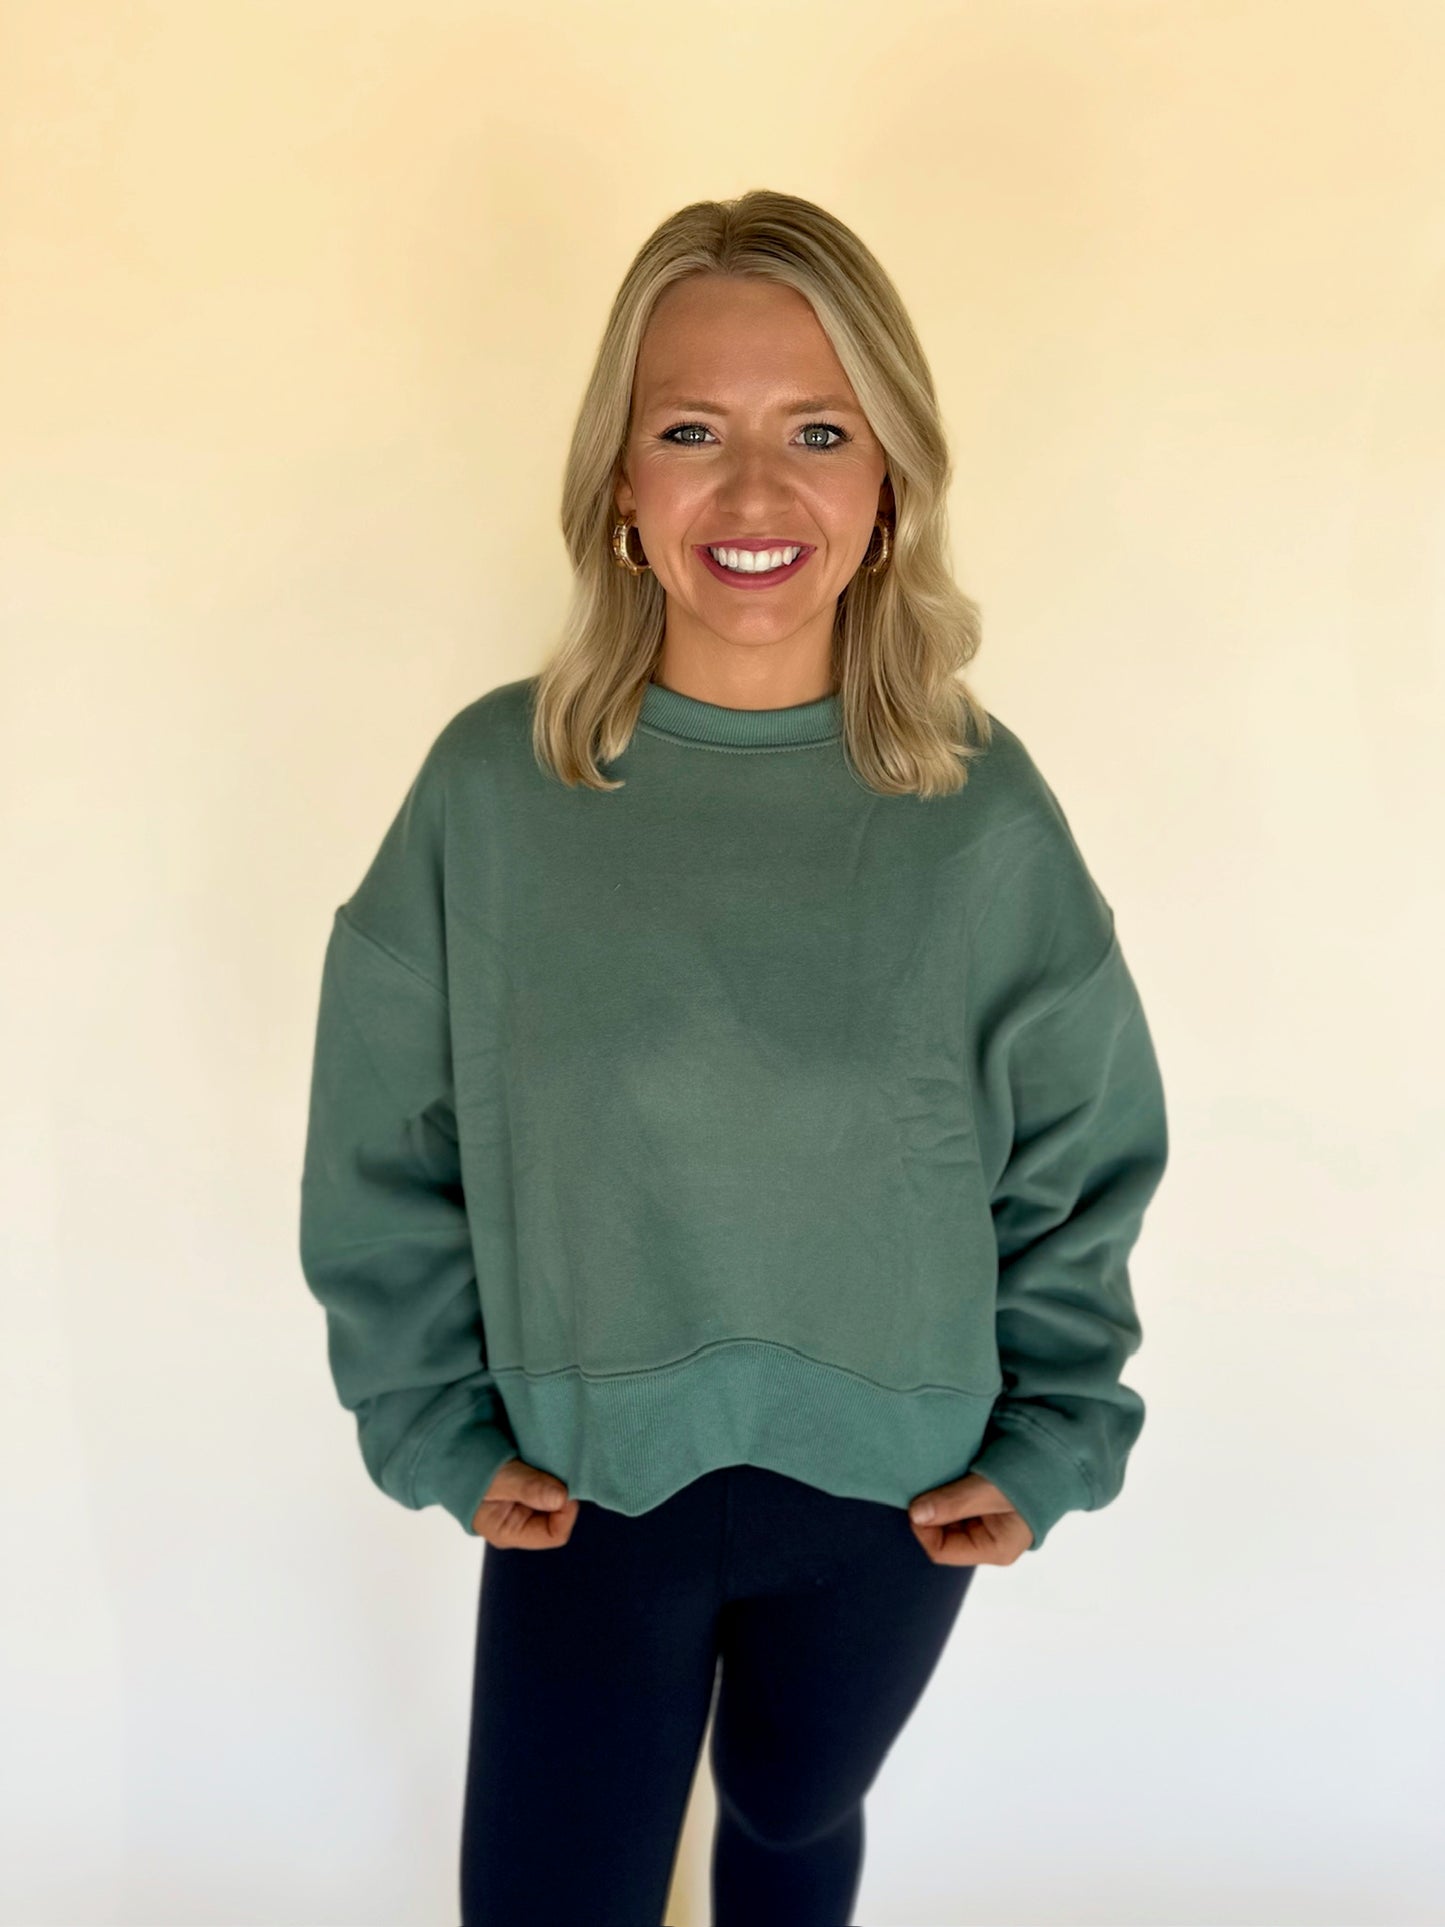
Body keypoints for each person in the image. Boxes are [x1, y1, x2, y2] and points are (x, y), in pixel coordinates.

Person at [298, 188, 1170, 1927]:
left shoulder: (974, 814)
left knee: (784, 1818)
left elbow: (1078, 1150)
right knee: (548, 1895)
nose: (755, 492)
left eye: (818, 431)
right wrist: (433, 1423)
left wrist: (1058, 1427)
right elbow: (383, 1144)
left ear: (887, 482)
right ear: (619, 485)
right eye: (690, 430)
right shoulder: (496, 794)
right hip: (584, 1481)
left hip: (895, 1491)